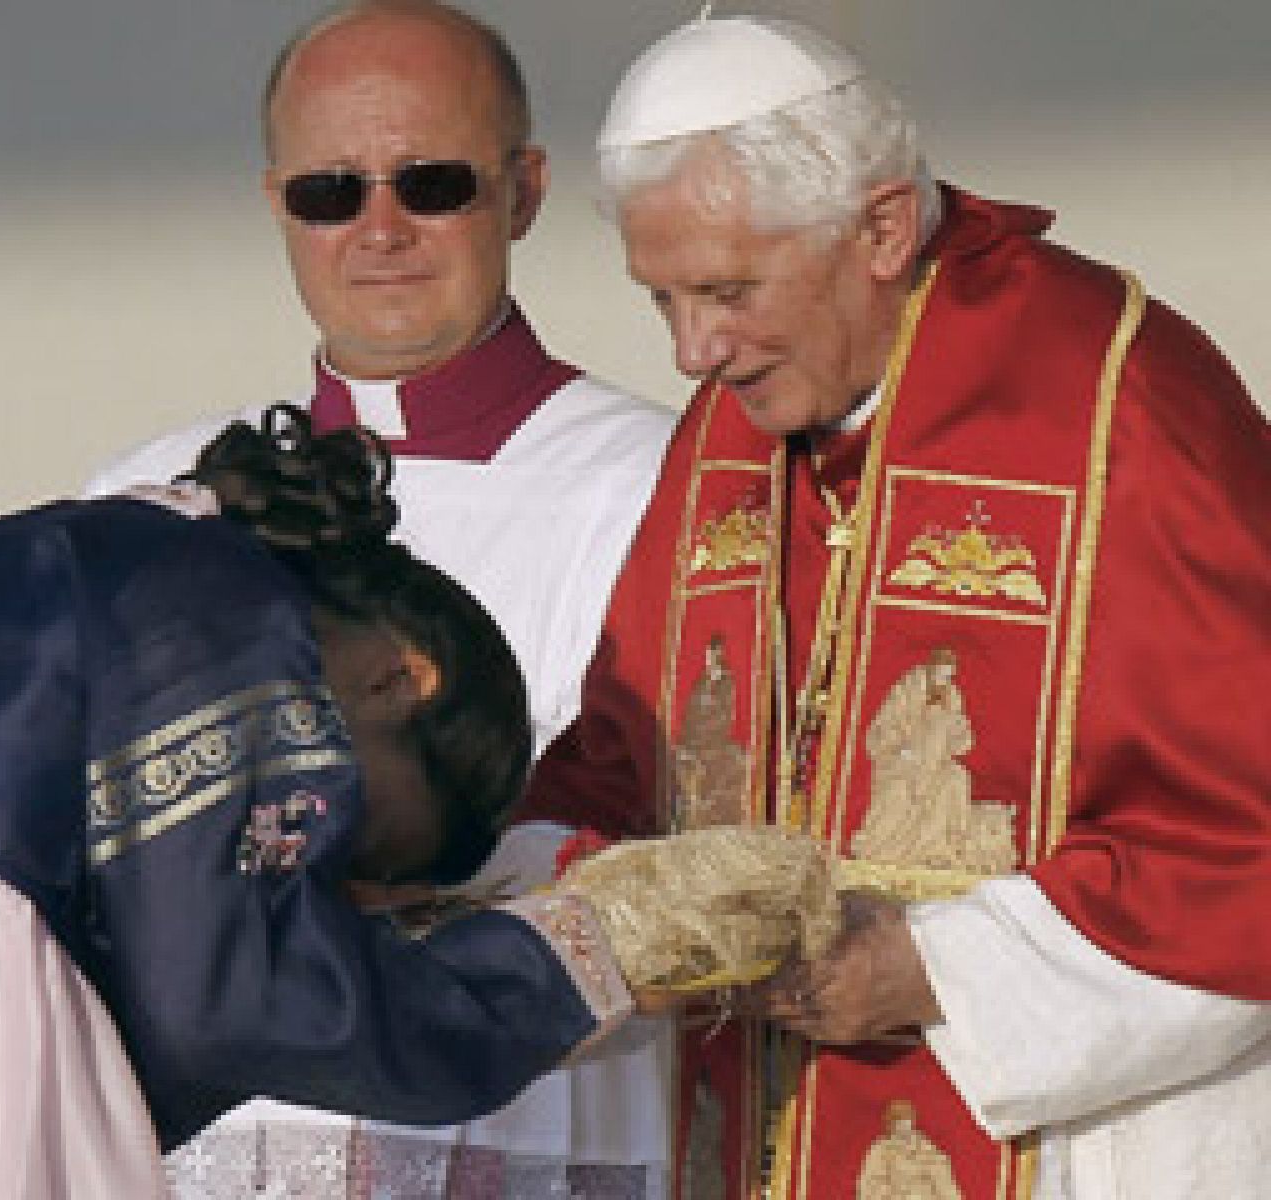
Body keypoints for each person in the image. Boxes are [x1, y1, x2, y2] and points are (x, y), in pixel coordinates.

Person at [517, 13, 1271, 1200]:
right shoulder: (737, 419)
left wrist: (935, 970)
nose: (689, 351)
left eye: (722, 291)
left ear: (877, 227)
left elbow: (1244, 840)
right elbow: (627, 754)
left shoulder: (1117, 403)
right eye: (660, 298)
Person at [0, 411, 733, 1199]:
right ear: (399, 678)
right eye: (358, 838)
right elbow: (236, 996)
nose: (333, 885)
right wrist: (572, 956)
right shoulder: (212, 599)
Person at [88, 2, 680, 1195]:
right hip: (215, 1129)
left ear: (522, 190)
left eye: (432, 182)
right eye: (330, 193)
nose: (380, 229)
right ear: (277, 207)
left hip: (531, 1105)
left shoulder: (675, 479)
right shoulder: (152, 493)